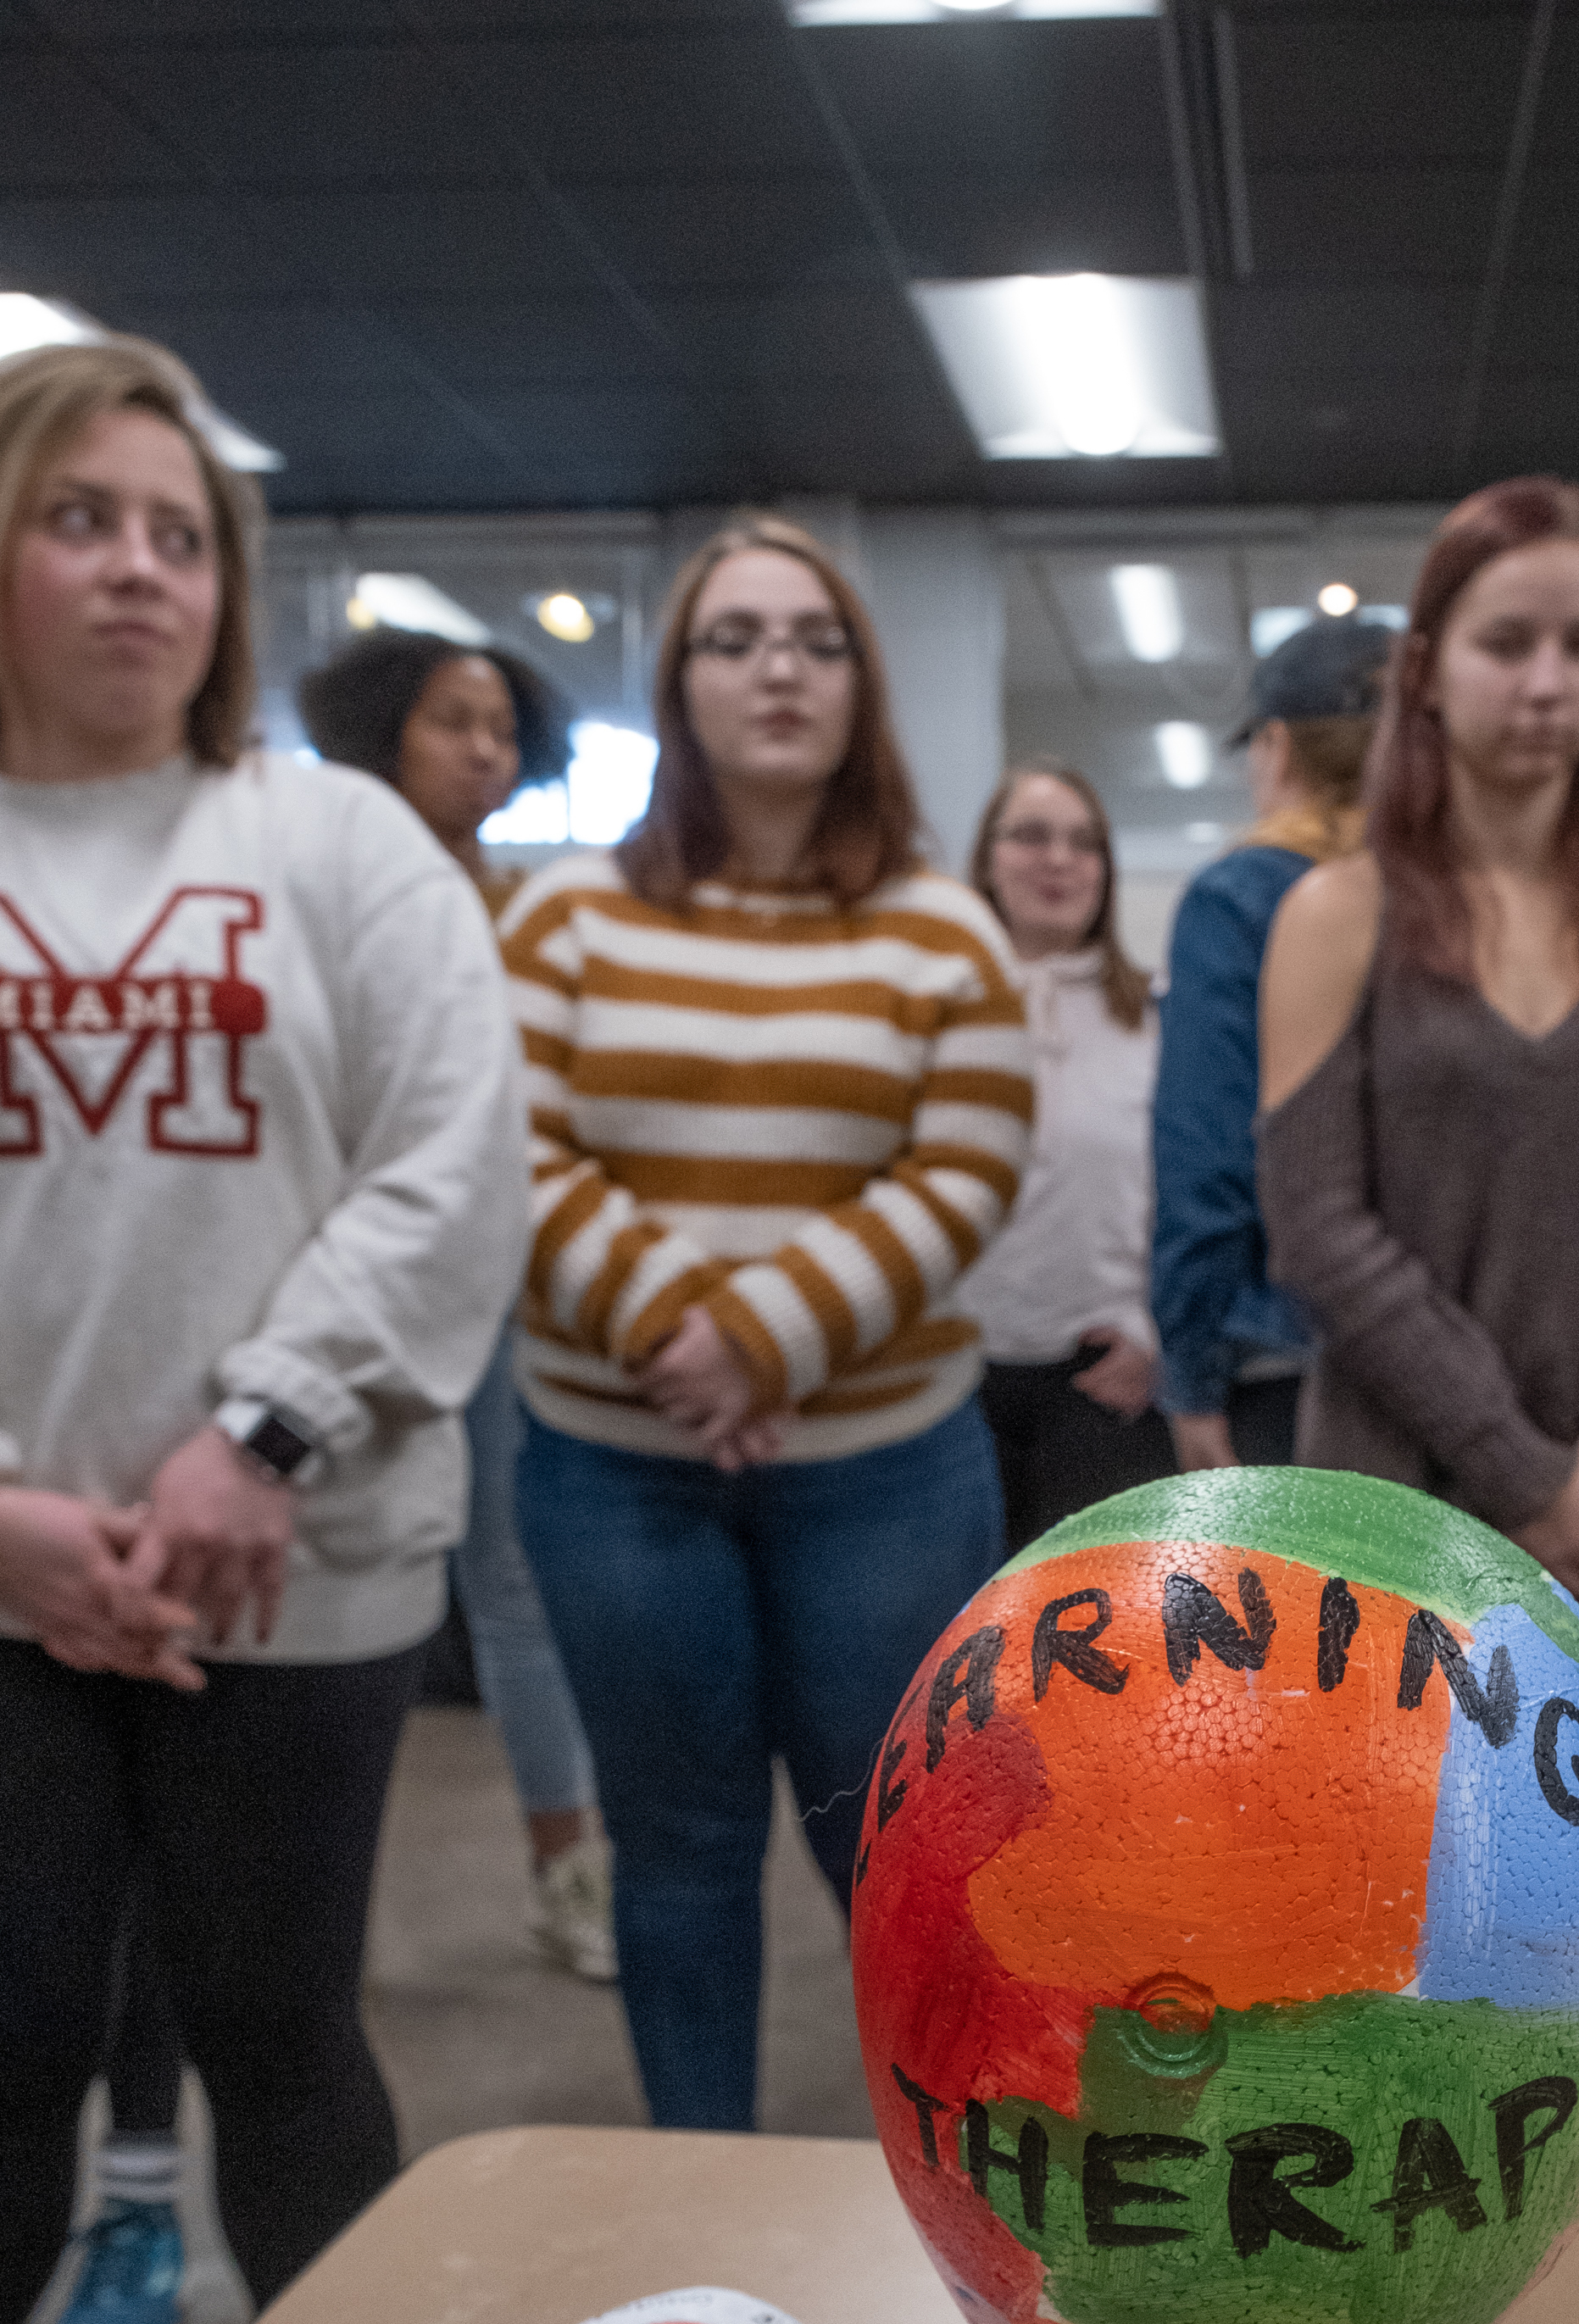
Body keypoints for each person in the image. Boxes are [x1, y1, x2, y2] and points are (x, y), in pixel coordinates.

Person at [0, 332, 523, 2324]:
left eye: (180, 534)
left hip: (295, 1561)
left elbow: (453, 1165)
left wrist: (252, 1436)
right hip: (14, 1585)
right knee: (13, 2033)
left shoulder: (336, 843)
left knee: (276, 2025)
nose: (140, 570)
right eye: (79, 521)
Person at [503, 514, 1032, 2132]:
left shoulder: (942, 927)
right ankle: (699, 2195)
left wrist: (770, 1337)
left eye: (812, 636)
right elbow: (505, 1145)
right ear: (677, 689)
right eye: (731, 639)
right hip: (616, 1461)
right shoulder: (568, 917)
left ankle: (962, 2195)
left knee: (910, 1848)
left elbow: (968, 1161)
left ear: (860, 684)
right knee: (676, 1852)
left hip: (879, 1465)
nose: (775, 668)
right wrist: (686, 1329)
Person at [1256, 478, 1579, 1693]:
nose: (1548, 684)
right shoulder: (1339, 916)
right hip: (1398, 1502)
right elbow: (1319, 1231)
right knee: (1379, 1885)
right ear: (1425, 670)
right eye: (1506, 643)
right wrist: (1522, 1471)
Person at [299, 630, 612, 1981]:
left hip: (494, 1304)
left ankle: (569, 1876)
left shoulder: (526, 911)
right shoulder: (319, 883)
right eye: (451, 722)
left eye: (499, 725)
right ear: (384, 733)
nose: (484, 748)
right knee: (322, 1582)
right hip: (329, 1296)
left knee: (510, 1583)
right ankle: (304, 1911)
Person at [1152, 618, 1392, 1470]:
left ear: (1277, 747)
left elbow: (1208, 1153)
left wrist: (1190, 1374)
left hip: (1280, 1356)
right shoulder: (1448, 901)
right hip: (1442, 1356)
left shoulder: (1239, 899)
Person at [959, 760, 1168, 1550]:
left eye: (1084, 844)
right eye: (1031, 836)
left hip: (1103, 1386)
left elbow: (1194, 1196)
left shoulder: (1153, 1018)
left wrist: (1154, 1334)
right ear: (985, 859)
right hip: (950, 1390)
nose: (1058, 860)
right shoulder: (937, 1009)